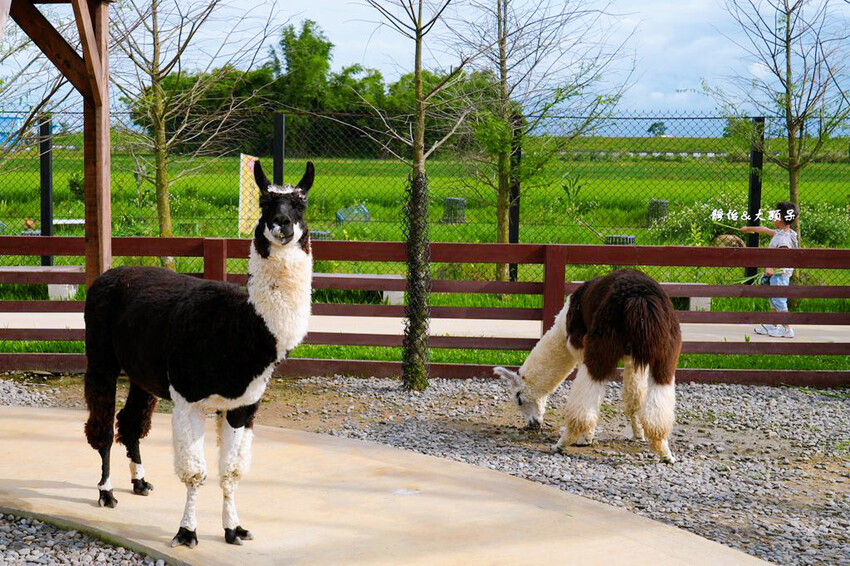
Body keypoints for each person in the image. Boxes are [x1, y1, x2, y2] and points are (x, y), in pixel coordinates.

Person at [739, 201, 799, 338]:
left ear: (781, 219)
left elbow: (782, 258)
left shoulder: (783, 239)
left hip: (780, 275)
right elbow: (764, 229)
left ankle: (787, 328)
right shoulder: (783, 233)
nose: (773, 217)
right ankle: (772, 325)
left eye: (775, 215)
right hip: (778, 276)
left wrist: (770, 267)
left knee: (779, 301)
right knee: (774, 300)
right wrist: (748, 228)